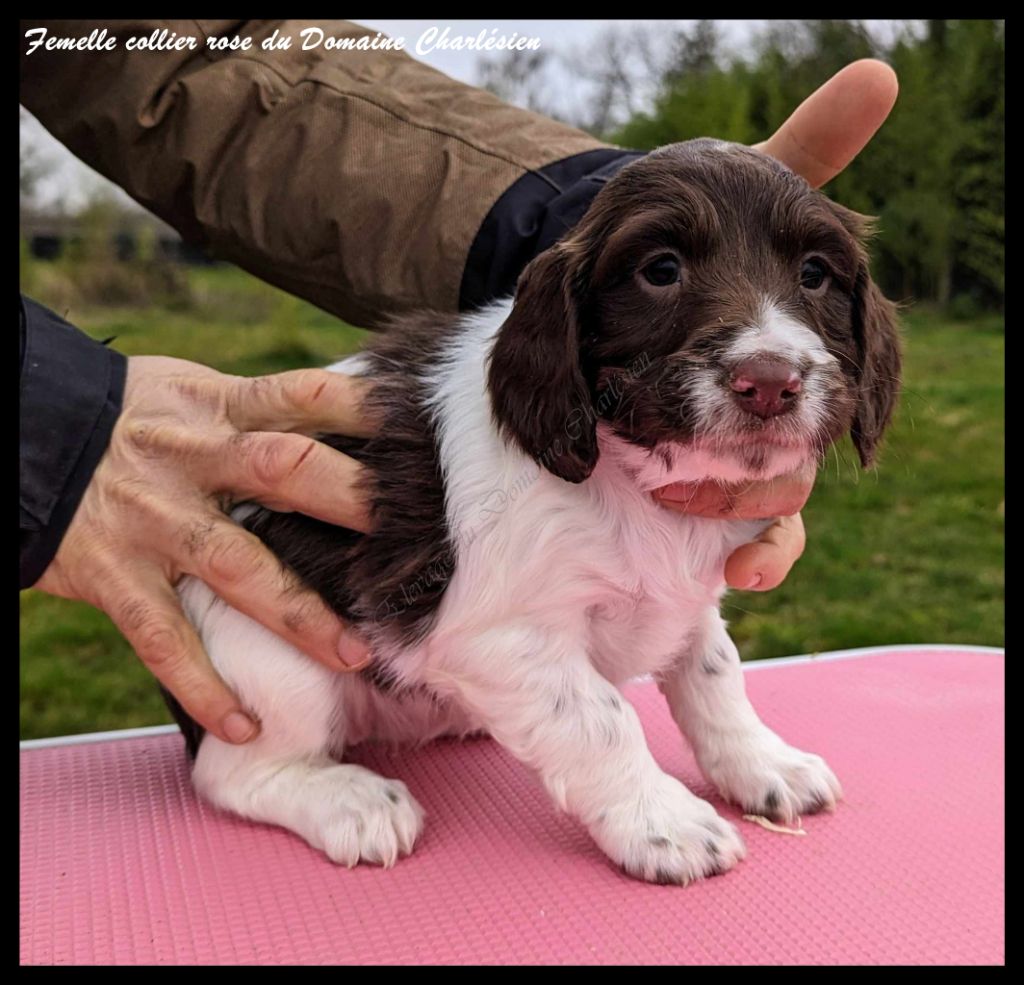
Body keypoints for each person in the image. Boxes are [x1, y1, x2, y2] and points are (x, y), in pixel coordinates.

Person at [19, 19, 898, 747]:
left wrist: (582, 208)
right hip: (318, 667)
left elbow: (193, 53)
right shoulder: (536, 439)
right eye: (662, 269)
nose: (767, 355)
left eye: (814, 276)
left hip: (436, 682)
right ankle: (265, 771)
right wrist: (52, 427)